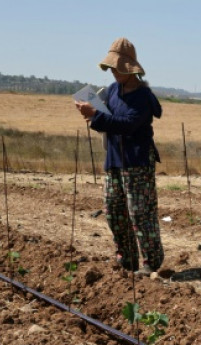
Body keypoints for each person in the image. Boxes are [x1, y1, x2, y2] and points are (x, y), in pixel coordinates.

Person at [75, 37, 164, 275]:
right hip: (114, 159)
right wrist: (92, 114)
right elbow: (109, 120)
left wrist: (95, 115)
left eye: (117, 68)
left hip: (137, 161)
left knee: (140, 212)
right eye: (111, 68)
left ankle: (150, 262)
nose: (113, 73)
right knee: (113, 211)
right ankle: (127, 261)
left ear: (129, 69)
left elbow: (128, 124)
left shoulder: (143, 97)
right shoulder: (113, 90)